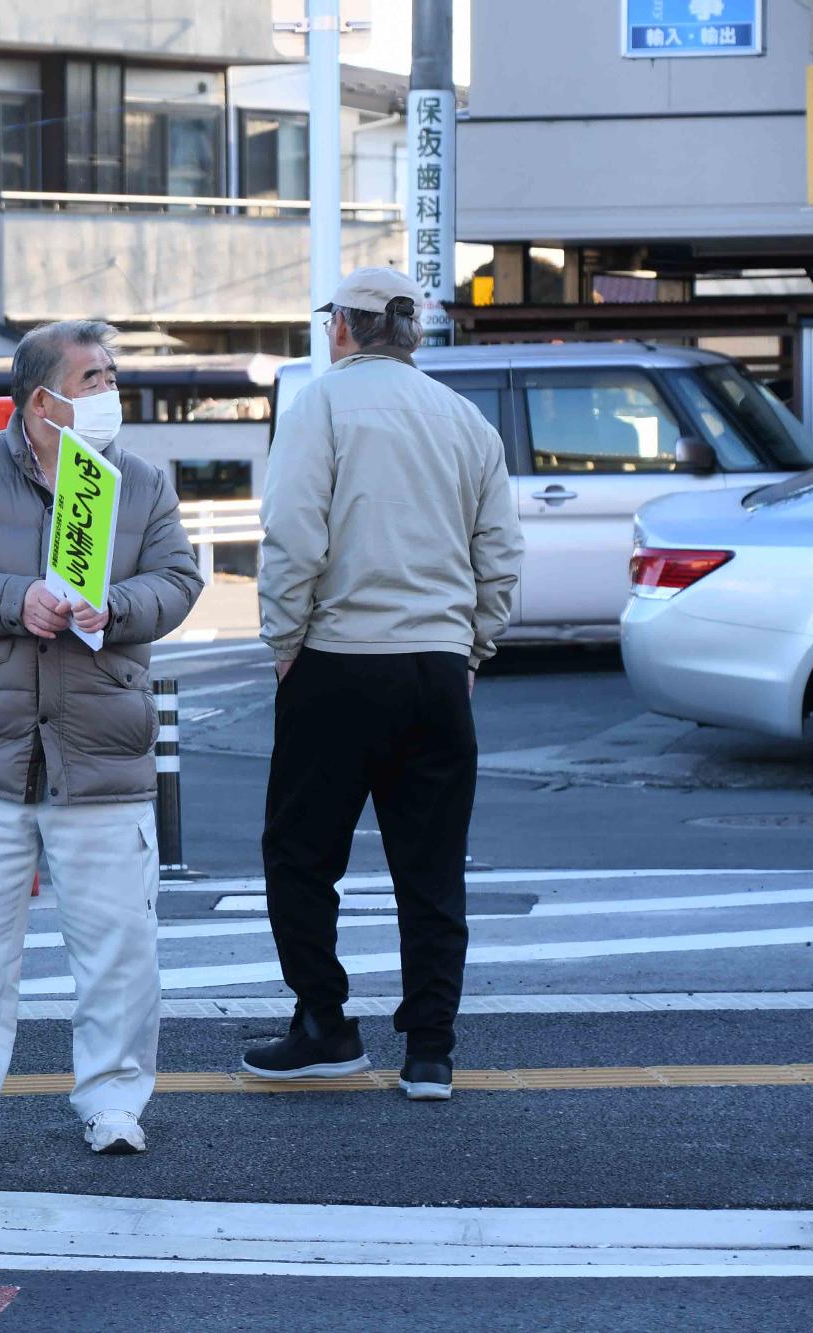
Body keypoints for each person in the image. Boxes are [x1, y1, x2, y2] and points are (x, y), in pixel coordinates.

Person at [0, 320, 201, 1158]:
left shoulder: (139, 482)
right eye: (94, 378)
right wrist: (12, 597)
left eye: (109, 376)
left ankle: (113, 1101)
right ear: (43, 401)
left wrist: (122, 606)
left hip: (101, 748)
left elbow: (179, 578)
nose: (110, 393)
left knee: (119, 945)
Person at [247, 266, 524, 1101]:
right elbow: (500, 555)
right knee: (432, 866)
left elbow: (293, 533)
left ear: (344, 329)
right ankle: (431, 1051)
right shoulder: (465, 419)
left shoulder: (321, 407)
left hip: (337, 659)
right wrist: (471, 649)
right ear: (410, 334)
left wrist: (283, 641)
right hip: (437, 670)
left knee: (300, 854)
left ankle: (324, 1024)